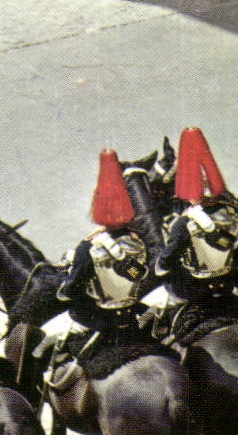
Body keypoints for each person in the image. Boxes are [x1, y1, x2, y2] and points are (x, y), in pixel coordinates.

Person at [42, 150, 155, 368]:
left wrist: (67, 282)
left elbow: (71, 291)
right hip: (131, 317)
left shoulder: (88, 247)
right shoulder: (138, 242)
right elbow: (138, 276)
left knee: (46, 346)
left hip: (99, 321)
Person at [152, 127, 238, 337]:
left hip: (193, 290)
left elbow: (167, 261)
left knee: (153, 303)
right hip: (228, 284)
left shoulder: (184, 222)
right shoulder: (233, 213)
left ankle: (159, 340)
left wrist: (161, 265)